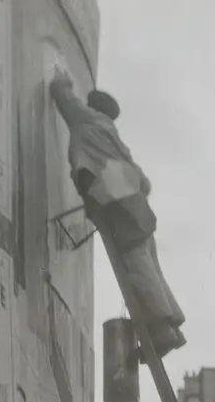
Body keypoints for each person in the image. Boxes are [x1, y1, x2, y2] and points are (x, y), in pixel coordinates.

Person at [49, 67, 186, 359]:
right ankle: (171, 322)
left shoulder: (87, 120)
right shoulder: (113, 136)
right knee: (149, 264)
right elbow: (145, 184)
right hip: (137, 205)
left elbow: (63, 97)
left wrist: (62, 74)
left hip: (119, 206)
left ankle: (162, 330)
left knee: (137, 266)